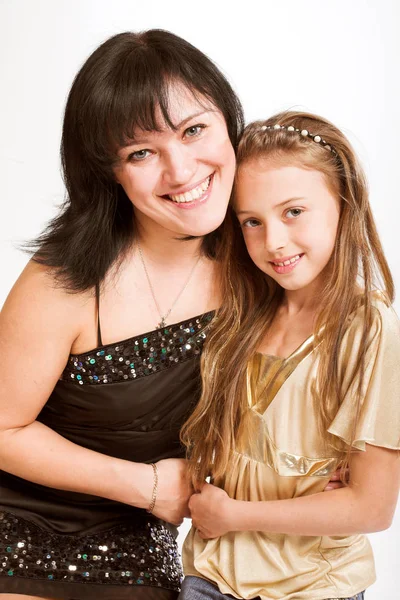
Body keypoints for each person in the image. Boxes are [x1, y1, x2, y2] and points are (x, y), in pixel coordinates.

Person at [0, 33, 345, 599]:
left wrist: (322, 464)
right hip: (21, 532)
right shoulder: (64, 277)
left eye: (193, 131)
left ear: (228, 123)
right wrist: (149, 483)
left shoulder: (266, 255)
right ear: (109, 170)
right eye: (141, 153)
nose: (180, 171)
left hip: (152, 550)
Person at [181, 111, 400, 600]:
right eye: (252, 222)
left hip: (313, 586)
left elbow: (371, 508)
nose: (273, 241)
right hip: (210, 577)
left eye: (293, 212)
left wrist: (235, 514)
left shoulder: (368, 330)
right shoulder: (242, 316)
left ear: (343, 205)